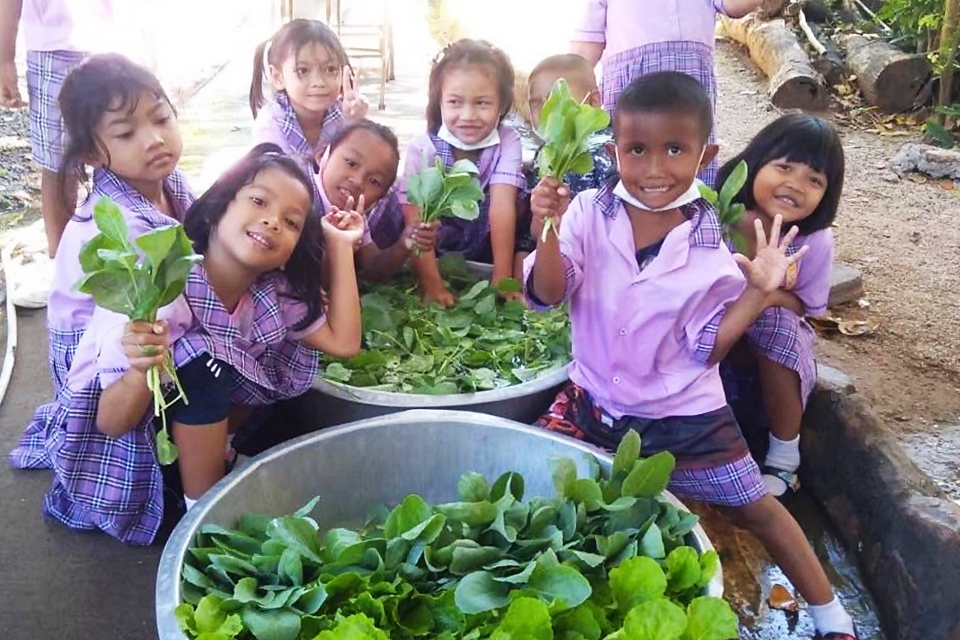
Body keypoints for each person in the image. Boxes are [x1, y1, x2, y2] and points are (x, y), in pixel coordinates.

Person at [524, 72, 857, 639]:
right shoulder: (585, 212)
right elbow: (551, 292)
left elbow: (711, 349)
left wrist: (757, 290)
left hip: (685, 414)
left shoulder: (712, 243)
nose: (655, 169)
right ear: (613, 150)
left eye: (675, 150)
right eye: (637, 150)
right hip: (595, 401)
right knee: (536, 490)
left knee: (757, 506)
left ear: (708, 154)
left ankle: (833, 616)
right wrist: (545, 226)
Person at [18, 145, 363, 544]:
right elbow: (110, 423)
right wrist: (139, 368)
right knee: (204, 361)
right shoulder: (162, 289)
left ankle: (221, 459)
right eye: (258, 201)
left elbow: (345, 342)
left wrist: (339, 245)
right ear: (217, 210)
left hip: (191, 434)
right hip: (134, 453)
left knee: (275, 369)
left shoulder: (272, 293)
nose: (272, 221)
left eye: (291, 222)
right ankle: (204, 520)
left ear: (289, 254)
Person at [9, 53, 195, 470]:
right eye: (126, 133)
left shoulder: (171, 183)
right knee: (204, 358)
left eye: (162, 119)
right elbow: (134, 327)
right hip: (95, 356)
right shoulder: (114, 224)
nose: (154, 140)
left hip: (133, 328)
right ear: (93, 153)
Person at [718, 114, 845, 498]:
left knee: (777, 326)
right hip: (715, 332)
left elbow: (804, 307)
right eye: (784, 167)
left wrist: (764, 294)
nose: (795, 184)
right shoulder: (721, 216)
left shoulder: (814, 241)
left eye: (814, 180)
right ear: (754, 164)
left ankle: (784, 457)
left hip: (769, 338)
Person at [569, 0, 764, 186]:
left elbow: (735, 5)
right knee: (632, 160)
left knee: (687, 156)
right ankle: (624, 218)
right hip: (630, 90)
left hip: (689, 91)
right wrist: (568, 101)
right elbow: (586, 47)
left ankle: (693, 217)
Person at [399, 38, 525, 307]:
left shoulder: (508, 140)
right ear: (439, 102)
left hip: (484, 249)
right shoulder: (423, 149)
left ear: (501, 105)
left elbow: (502, 206)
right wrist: (432, 286)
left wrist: (501, 278)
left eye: (482, 103)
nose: (468, 115)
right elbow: (416, 223)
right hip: (435, 249)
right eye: (455, 102)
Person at [516, 53, 616, 258]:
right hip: (553, 257)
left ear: (594, 101)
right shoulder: (543, 156)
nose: (546, 113)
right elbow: (533, 231)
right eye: (536, 103)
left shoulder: (610, 152)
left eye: (557, 101)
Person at [316, 119, 438, 280]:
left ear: (379, 200)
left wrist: (405, 244)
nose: (358, 181)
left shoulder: (355, 215)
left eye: (374, 181)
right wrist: (338, 248)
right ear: (322, 155)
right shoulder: (299, 195)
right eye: (351, 163)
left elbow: (373, 267)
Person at [250, 18, 367, 166]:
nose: (319, 82)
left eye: (330, 69)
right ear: (277, 77)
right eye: (303, 71)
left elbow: (362, 167)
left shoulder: (342, 114)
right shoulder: (271, 124)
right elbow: (271, 180)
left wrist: (358, 124)